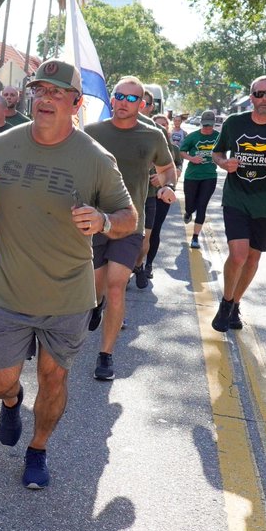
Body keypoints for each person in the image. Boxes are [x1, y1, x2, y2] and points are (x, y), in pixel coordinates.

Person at [0, 59, 136, 489]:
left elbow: (128, 217)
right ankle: (11, 402)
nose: (45, 98)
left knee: (54, 376)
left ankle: (38, 449)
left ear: (76, 103)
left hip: (67, 295)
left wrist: (102, 221)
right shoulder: (2, 145)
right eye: (40, 90)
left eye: (57, 92)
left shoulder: (96, 159)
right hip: (8, 287)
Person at [82, 76, 176, 381]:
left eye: (132, 98)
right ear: (112, 98)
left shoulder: (152, 136)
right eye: (119, 96)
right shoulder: (92, 132)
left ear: (143, 103)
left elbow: (167, 167)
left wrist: (167, 184)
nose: (124, 102)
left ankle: (105, 355)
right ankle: (96, 307)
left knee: (116, 284)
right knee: (96, 288)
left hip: (130, 224)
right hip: (94, 222)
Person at [210, 75, 266, 332]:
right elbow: (217, 152)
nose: (264, 98)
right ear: (251, 97)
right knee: (238, 255)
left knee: (252, 259)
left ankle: (236, 304)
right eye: (259, 94)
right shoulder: (234, 123)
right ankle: (226, 303)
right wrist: (224, 163)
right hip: (237, 198)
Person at [140, 112, 185, 277]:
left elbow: (177, 171)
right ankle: (135, 264)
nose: (160, 127)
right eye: (156, 124)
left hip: (162, 196)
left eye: (164, 125)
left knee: (154, 231)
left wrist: (163, 179)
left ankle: (148, 265)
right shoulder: (145, 144)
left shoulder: (174, 149)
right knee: (139, 232)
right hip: (143, 195)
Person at [177, 109, 221, 250]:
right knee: (191, 204)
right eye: (205, 125)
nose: (207, 128)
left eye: (210, 125)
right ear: (201, 124)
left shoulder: (219, 137)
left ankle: (195, 237)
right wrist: (192, 158)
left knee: (202, 206)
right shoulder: (193, 137)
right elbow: (182, 151)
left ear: (214, 124)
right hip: (192, 176)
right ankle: (189, 212)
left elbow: (224, 152)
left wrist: (221, 161)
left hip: (209, 176)